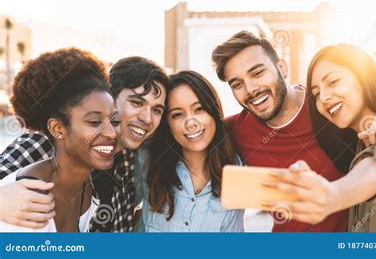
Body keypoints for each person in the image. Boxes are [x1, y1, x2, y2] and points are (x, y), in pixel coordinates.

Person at [211, 31, 376, 232]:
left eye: (257, 72)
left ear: (282, 67)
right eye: (237, 84)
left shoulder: (341, 118)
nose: (252, 88)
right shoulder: (234, 130)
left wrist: (333, 196)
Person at [0, 56, 169, 232]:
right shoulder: (48, 142)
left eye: (156, 110)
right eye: (136, 102)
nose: (147, 118)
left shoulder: (131, 161)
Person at [0, 48, 119, 232]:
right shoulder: (24, 204)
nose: (112, 133)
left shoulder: (88, 191)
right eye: (95, 122)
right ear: (57, 128)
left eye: (114, 120)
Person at [135, 71, 244, 232]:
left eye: (199, 109)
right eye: (177, 114)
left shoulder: (235, 171)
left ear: (213, 112)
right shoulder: (147, 158)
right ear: (168, 124)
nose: (191, 123)